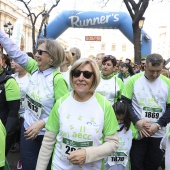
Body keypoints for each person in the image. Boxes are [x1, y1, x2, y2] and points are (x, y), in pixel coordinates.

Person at [0, 30, 68, 170]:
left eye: (41, 52)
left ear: (52, 58)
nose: (36, 54)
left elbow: (64, 112)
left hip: (46, 136)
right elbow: (14, 52)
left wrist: (42, 123)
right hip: (27, 131)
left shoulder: (58, 80)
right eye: (37, 51)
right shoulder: (34, 68)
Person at [36, 58, 119, 170]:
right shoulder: (61, 103)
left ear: (94, 78)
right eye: (76, 73)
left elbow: (113, 143)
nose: (81, 78)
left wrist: (87, 154)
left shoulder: (104, 105)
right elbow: (47, 143)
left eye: (87, 74)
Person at [121, 53, 170, 170]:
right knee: (136, 165)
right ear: (145, 67)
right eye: (152, 71)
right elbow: (125, 103)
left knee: (153, 165)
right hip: (139, 133)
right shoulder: (133, 80)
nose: (155, 74)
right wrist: (137, 121)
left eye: (158, 71)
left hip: (158, 133)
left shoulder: (167, 83)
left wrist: (158, 125)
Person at [104, 100, 139, 170]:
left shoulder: (130, 127)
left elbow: (138, 135)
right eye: (116, 119)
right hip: (106, 165)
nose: (119, 122)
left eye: (122, 119)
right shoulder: (105, 126)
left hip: (123, 166)